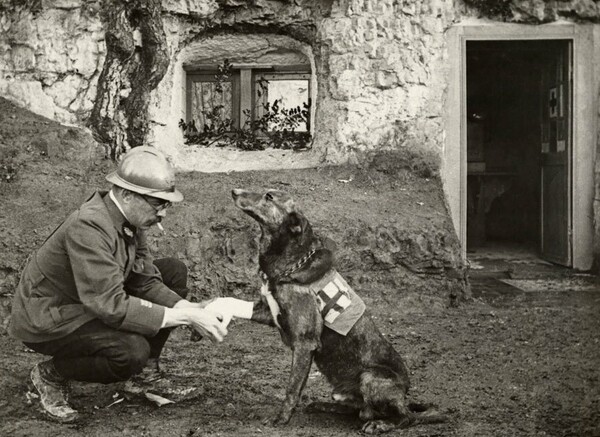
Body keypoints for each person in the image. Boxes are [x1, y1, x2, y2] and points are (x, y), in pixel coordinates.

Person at [8, 146, 251, 423]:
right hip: (51, 317)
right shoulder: (88, 226)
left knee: (172, 272)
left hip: (88, 302)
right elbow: (109, 305)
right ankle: (51, 373)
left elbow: (145, 280)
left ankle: (145, 378)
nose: (163, 214)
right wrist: (184, 316)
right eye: (158, 203)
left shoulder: (129, 219)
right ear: (126, 194)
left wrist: (191, 308)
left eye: (166, 204)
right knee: (131, 352)